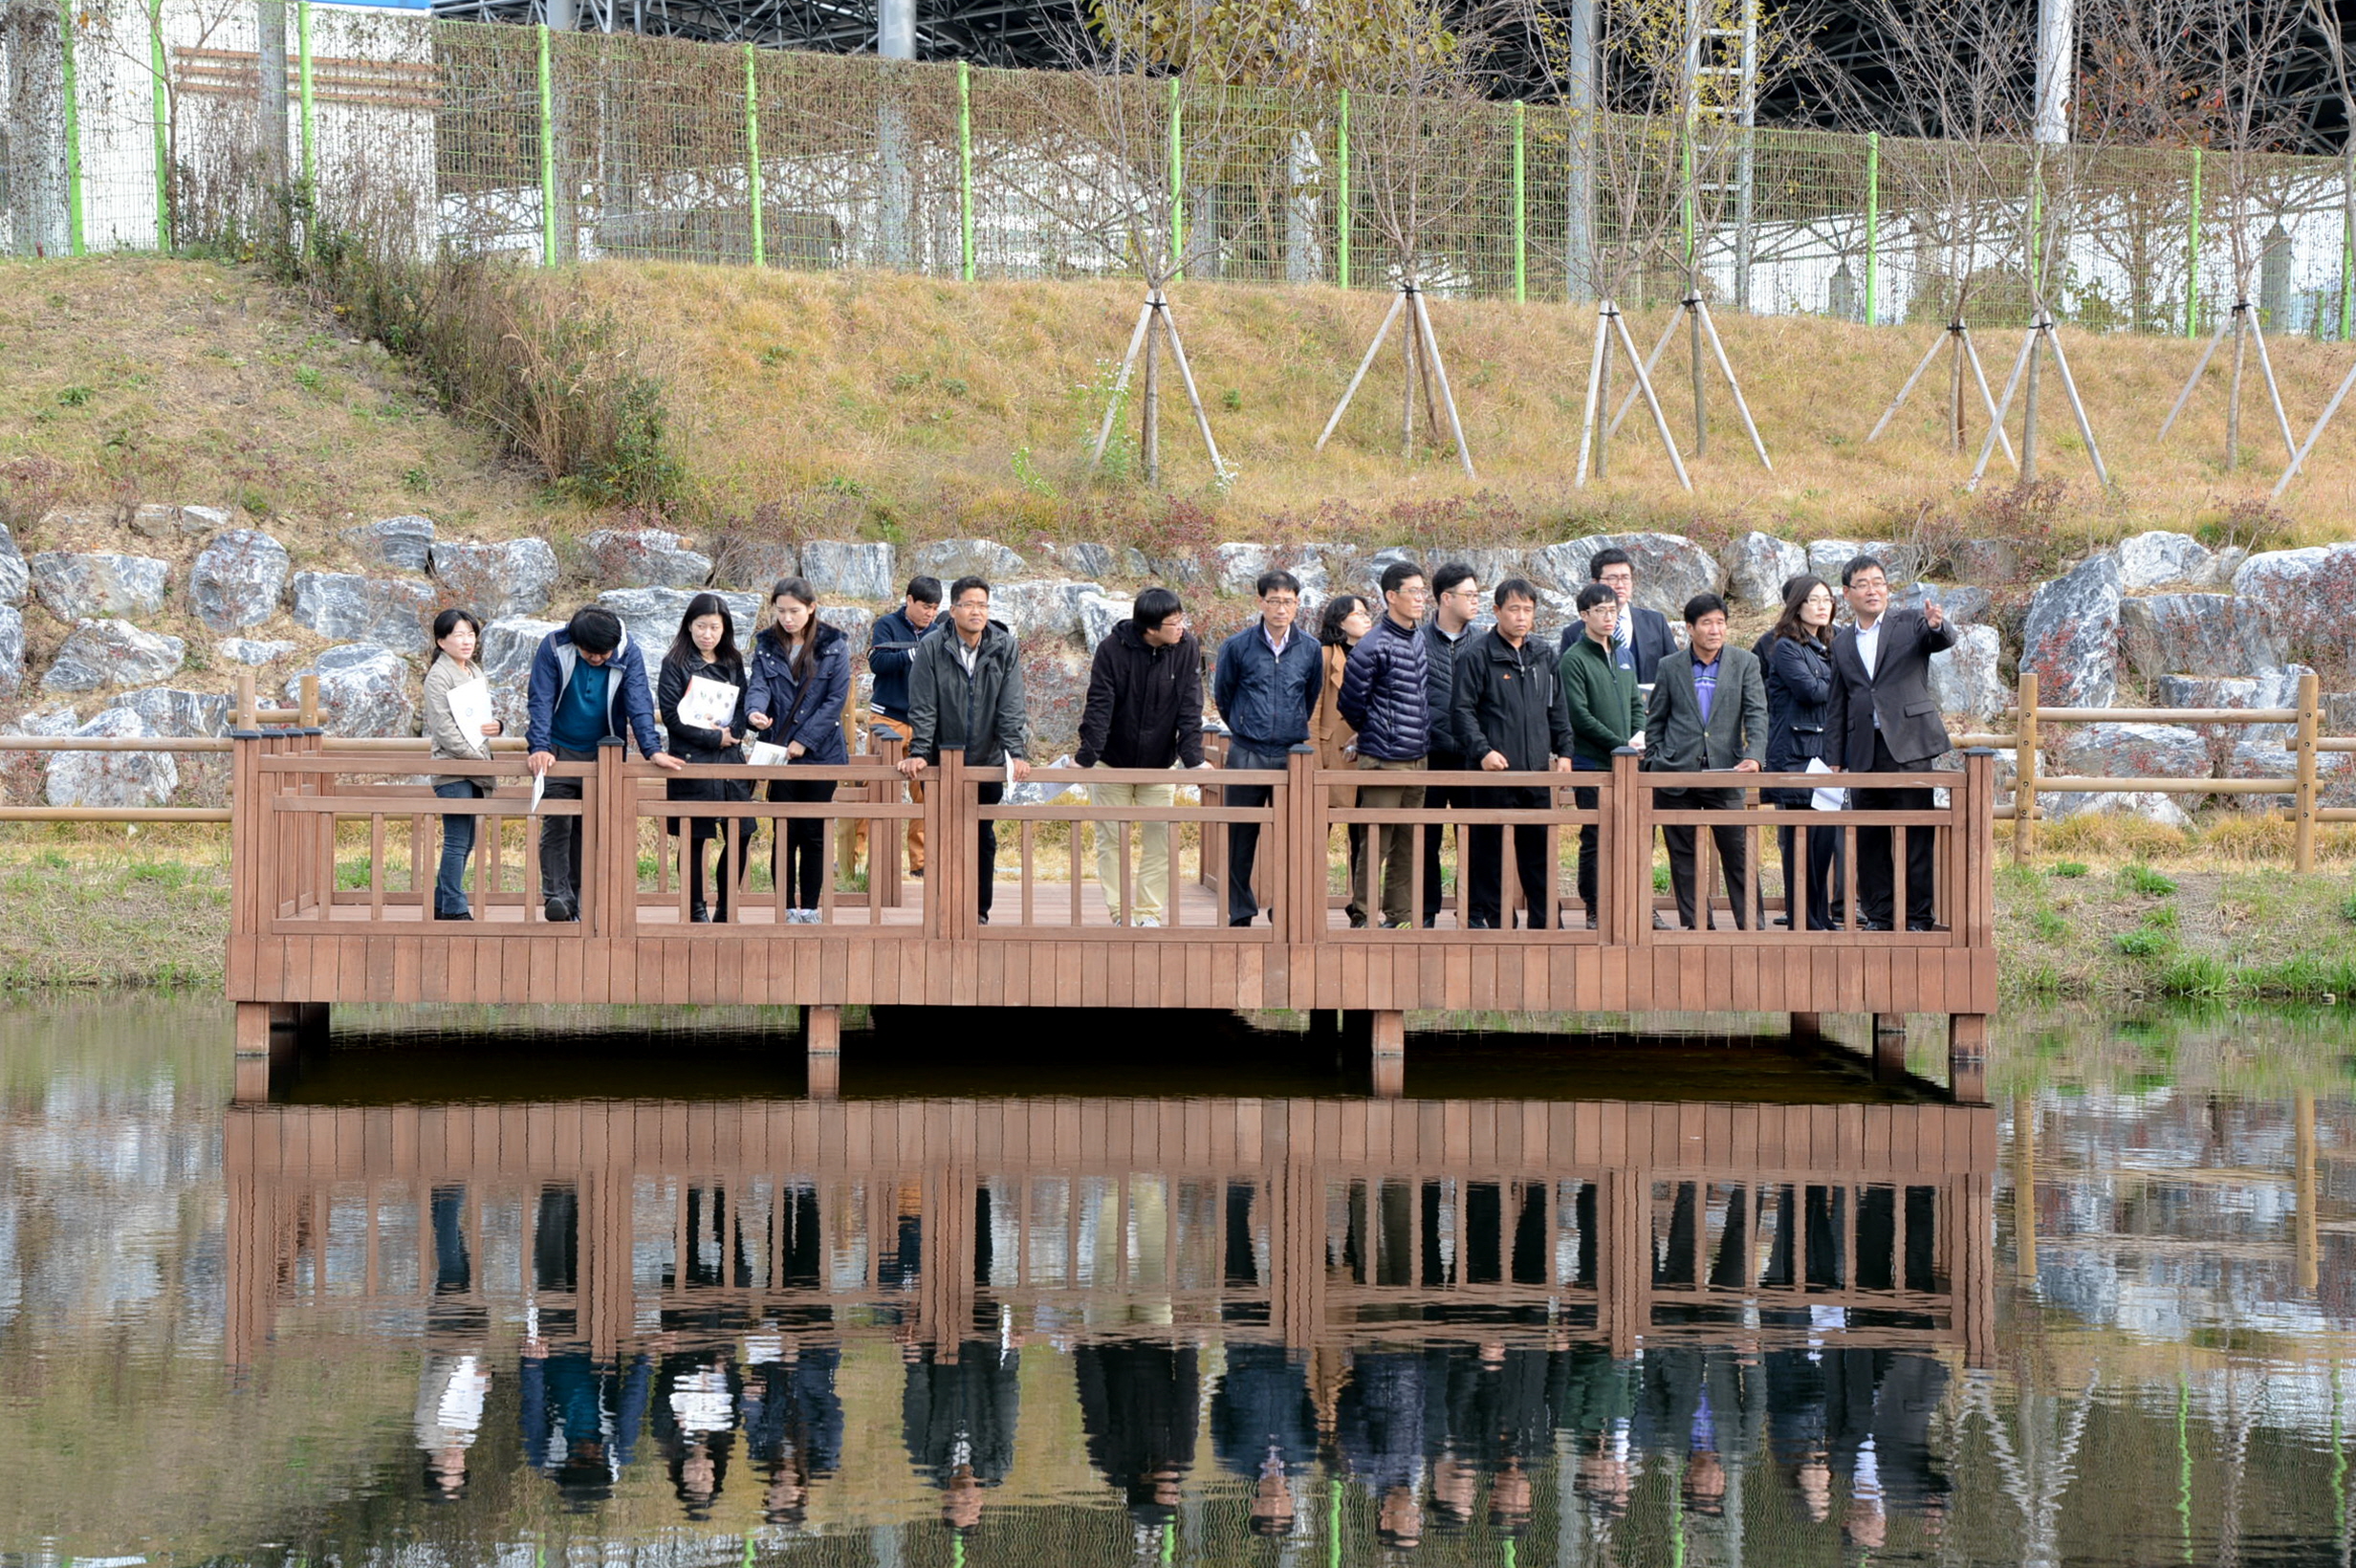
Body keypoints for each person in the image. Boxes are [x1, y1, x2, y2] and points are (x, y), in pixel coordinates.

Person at [526, 605, 683, 922]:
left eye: (603, 653)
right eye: (590, 653)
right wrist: (539, 746)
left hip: (604, 754)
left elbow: (639, 702)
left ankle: (579, 901)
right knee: (557, 823)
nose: (597, 658)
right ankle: (557, 897)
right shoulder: (554, 647)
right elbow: (540, 699)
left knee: (590, 830)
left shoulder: (629, 652)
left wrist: (652, 749)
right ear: (576, 641)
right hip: (557, 750)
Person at [1826, 555, 1955, 931]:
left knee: (1916, 833)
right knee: (1870, 836)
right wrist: (1834, 758)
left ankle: (1917, 916)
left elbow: (1939, 639)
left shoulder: (1910, 622)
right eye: (1863, 584)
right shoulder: (1842, 641)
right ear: (1847, 593)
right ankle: (1880, 915)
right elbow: (1838, 704)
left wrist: (1938, 624)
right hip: (1864, 749)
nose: (1873, 590)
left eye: (1879, 582)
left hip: (1909, 745)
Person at [898, 577, 1028, 926]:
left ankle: (978, 911)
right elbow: (923, 703)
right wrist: (921, 750)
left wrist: (1015, 751)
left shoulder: (1004, 646)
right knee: (942, 835)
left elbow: (1011, 704)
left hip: (986, 758)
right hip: (942, 757)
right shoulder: (932, 646)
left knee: (982, 837)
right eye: (969, 604)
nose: (976, 611)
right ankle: (945, 909)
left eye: (982, 605)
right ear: (953, 609)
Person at [1075, 586, 1205, 926]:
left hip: (1160, 761)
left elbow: (1191, 705)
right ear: (1150, 628)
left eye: (1181, 620)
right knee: (1111, 841)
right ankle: (1121, 914)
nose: (1181, 627)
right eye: (1173, 623)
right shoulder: (1111, 650)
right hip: (1112, 759)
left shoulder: (1186, 647)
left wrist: (1193, 758)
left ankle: (1148, 914)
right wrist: (1087, 756)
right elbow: (1099, 705)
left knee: (1160, 840)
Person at [1454, 577, 1576, 928]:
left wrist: (1564, 750)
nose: (1521, 617)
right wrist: (1483, 751)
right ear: (1497, 611)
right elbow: (1461, 711)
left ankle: (1546, 921)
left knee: (1538, 851)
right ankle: (1497, 919)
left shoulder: (1543, 653)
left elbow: (1558, 708)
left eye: (1528, 610)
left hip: (1536, 770)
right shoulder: (1477, 654)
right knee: (1489, 851)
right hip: (1493, 771)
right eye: (1514, 609)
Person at [1645, 593, 1767, 930]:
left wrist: (1755, 755)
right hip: (1676, 773)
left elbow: (1757, 713)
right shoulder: (1670, 666)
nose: (1715, 630)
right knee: (1684, 857)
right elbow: (1656, 720)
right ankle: (1697, 924)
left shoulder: (1745, 663)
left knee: (1738, 853)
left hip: (1726, 770)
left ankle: (1752, 926)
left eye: (1721, 622)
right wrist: (1656, 759)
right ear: (1690, 628)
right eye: (1707, 623)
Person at [1211, 572, 1320, 928]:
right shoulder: (1237, 646)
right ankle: (1240, 911)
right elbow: (1224, 696)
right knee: (1240, 837)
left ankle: (1284, 910)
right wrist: (1245, 724)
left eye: (1288, 601)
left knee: (1293, 837)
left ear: (1297, 604)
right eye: (1273, 601)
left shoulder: (1309, 648)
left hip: (1291, 753)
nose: (1280, 608)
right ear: (1260, 603)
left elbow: (1310, 695)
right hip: (1247, 750)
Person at [747, 577, 852, 925]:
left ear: (811, 607)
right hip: (778, 748)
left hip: (821, 752)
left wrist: (804, 740)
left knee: (814, 831)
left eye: (794, 611)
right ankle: (784, 907)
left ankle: (809, 907)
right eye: (781, 611)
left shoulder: (834, 644)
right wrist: (754, 712)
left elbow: (834, 701)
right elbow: (759, 684)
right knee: (784, 830)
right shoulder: (766, 644)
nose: (787, 618)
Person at [1338, 560, 1432, 928]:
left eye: (1423, 591)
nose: (1421, 598)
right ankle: (1363, 913)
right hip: (1383, 758)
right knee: (1376, 839)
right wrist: (1375, 732)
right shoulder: (1372, 644)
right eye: (1414, 591)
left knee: (1409, 843)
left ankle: (1400, 915)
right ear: (1391, 596)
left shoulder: (1418, 637)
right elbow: (1349, 702)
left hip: (1418, 756)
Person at [656, 594, 752, 924]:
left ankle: (726, 907)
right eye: (700, 627)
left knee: (740, 833)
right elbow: (672, 717)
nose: (707, 634)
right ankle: (696, 908)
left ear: (724, 628)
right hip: (692, 758)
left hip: (730, 760)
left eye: (714, 627)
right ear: (689, 626)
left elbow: (743, 704)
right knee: (694, 834)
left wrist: (734, 732)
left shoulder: (733, 661)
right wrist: (714, 736)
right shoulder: (675, 663)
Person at [1558, 583, 1646, 927]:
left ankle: (1631, 903)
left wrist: (1636, 739)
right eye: (1601, 611)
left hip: (1628, 762)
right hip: (1593, 763)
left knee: (1632, 835)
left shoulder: (1623, 654)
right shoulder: (1573, 659)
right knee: (1595, 836)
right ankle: (1594, 905)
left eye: (1613, 611)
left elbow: (1637, 704)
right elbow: (1578, 715)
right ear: (1584, 615)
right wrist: (1619, 744)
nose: (1609, 617)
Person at [1762, 575, 1846, 930]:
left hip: (1826, 756)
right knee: (1801, 845)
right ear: (1797, 605)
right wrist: (1844, 683)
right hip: (1796, 755)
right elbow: (1810, 690)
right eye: (1814, 600)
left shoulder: (1832, 643)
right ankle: (1804, 918)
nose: (1822, 606)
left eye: (1827, 599)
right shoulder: (1785, 646)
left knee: (1823, 841)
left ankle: (1821, 916)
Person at [424, 608, 500, 922]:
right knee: (456, 839)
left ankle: (441, 903)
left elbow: (480, 720)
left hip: (476, 764)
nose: (467, 641)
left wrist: (497, 726)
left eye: (471, 634)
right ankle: (454, 908)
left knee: (466, 839)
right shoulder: (438, 676)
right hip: (453, 768)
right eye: (459, 634)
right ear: (442, 641)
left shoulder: (474, 671)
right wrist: (477, 758)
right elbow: (444, 729)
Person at [1419, 561, 1482, 926]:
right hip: (1428, 754)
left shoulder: (1486, 642)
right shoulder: (1417, 641)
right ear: (1446, 598)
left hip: (1473, 757)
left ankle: (1472, 912)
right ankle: (1425, 911)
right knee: (1425, 838)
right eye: (1468, 595)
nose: (1475, 601)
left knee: (1474, 837)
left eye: (1477, 595)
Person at [866, 576, 942, 880]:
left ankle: (920, 863)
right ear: (909, 600)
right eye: (926, 607)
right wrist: (915, 652)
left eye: (936, 608)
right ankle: (859, 860)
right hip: (887, 718)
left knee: (925, 792)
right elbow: (878, 662)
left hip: (924, 722)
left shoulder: (939, 630)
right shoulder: (886, 624)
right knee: (873, 788)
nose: (930, 614)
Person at [1313, 594, 1376, 927]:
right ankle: (1303, 903)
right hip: (1330, 757)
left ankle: (1362, 909)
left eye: (1368, 613)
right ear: (1340, 621)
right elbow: (1313, 712)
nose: (1366, 618)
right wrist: (1313, 760)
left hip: (1367, 755)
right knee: (1314, 837)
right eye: (1359, 613)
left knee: (1364, 837)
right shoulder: (1323, 656)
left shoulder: (1376, 652)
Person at [1557, 546, 1678, 683]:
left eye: (1626, 578)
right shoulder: (1574, 633)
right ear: (1595, 583)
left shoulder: (1655, 622)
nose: (1620, 585)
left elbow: (1675, 670)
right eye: (1612, 578)